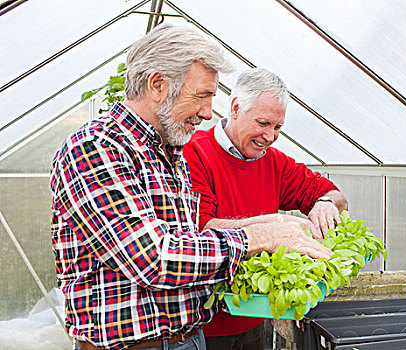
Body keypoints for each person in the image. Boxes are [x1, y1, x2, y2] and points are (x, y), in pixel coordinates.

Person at [50, 25, 332, 350]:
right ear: (157, 85)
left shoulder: (171, 152)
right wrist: (265, 235)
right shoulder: (96, 148)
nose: (207, 112)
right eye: (201, 96)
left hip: (189, 339)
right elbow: (153, 258)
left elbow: (190, 242)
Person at [184, 68, 348, 350]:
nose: (270, 136)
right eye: (263, 123)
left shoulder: (274, 162)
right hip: (206, 326)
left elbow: (335, 196)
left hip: (259, 317)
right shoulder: (195, 153)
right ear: (235, 108)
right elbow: (199, 231)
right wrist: (273, 228)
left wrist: (325, 203)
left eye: (278, 127)